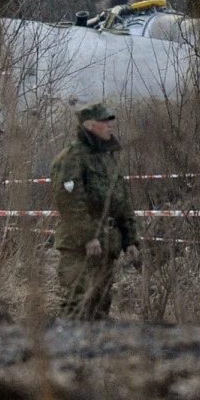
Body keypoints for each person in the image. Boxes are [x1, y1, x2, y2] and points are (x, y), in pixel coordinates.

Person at [50, 102, 140, 319]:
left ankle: (95, 352)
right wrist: (88, 237)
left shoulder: (107, 160)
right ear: (89, 125)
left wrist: (130, 240)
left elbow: (122, 201)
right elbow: (69, 202)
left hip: (107, 244)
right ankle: (67, 351)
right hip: (78, 247)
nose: (110, 125)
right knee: (77, 303)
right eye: (104, 121)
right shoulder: (72, 157)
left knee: (100, 305)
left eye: (110, 121)